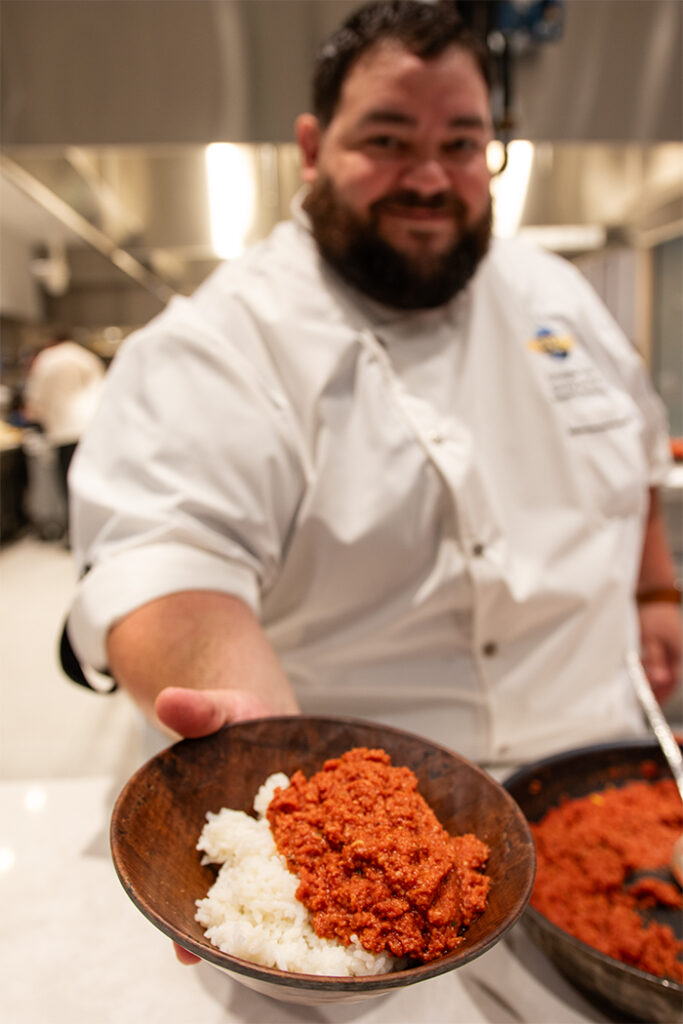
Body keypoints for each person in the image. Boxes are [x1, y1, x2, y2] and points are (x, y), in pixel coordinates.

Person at [65, 1, 680, 770]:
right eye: (387, 141)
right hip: (372, 806)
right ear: (314, 149)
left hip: (603, 767)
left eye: (461, 145)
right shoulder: (218, 343)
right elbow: (170, 568)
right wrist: (258, 732)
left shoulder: (555, 295)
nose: (428, 179)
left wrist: (654, 593)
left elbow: (638, 452)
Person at [24, 330, 105, 531]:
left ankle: (75, 532)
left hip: (64, 431)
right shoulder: (86, 357)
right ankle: (95, 529)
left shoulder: (48, 358)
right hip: (92, 429)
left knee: (70, 485)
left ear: (52, 341)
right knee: (92, 484)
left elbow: (35, 398)